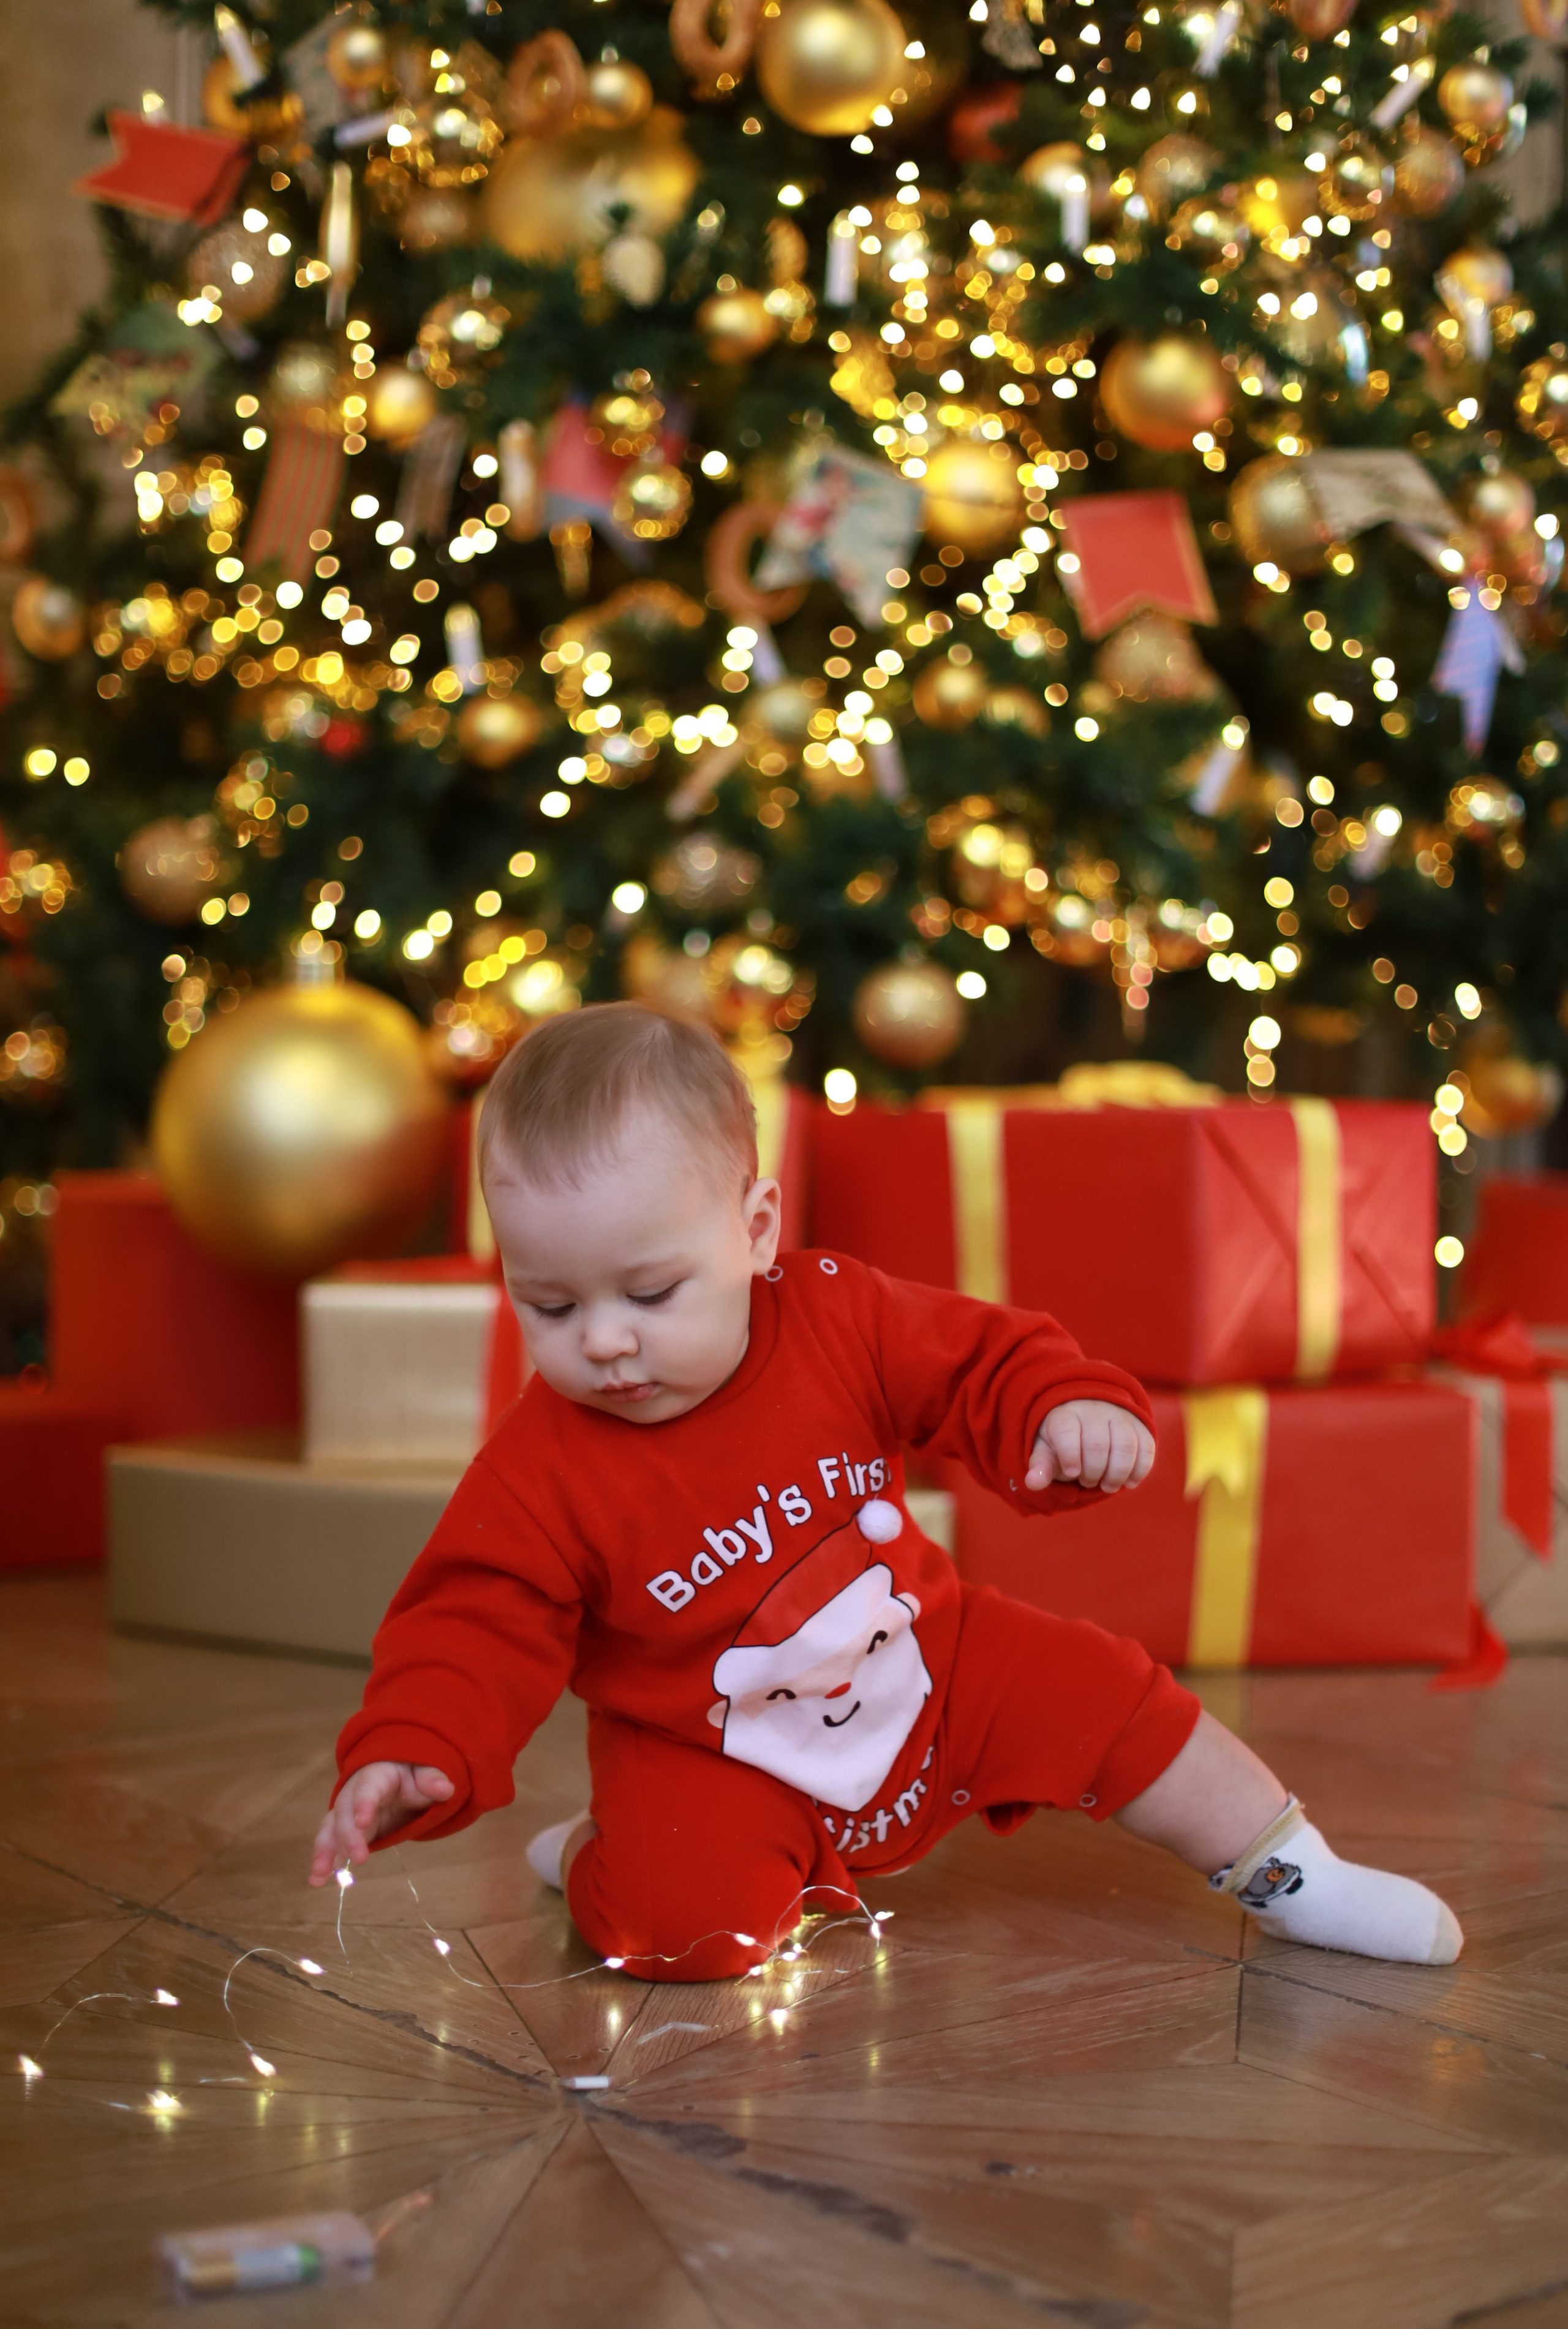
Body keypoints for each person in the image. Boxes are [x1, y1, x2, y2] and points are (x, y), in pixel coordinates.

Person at [310, 1004, 1461, 1979]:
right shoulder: (540, 1466)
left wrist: (1059, 1407)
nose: (605, 1340)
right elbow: (473, 1614)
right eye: (551, 1305)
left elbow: (977, 1360)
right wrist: (419, 1740)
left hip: (928, 1655)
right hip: (710, 1746)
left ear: (756, 1230)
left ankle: (1293, 1873)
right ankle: (596, 1857)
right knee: (687, 1932)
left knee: (1117, 1700)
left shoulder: (837, 1314)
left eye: (652, 1293)